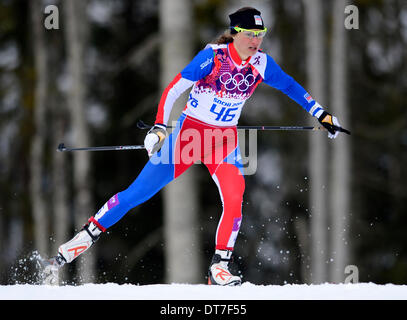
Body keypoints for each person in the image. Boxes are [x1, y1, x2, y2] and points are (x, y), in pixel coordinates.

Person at [42, 7, 345, 286]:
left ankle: (220, 267)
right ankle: (81, 239)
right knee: (136, 194)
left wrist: (321, 113)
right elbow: (175, 88)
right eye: (251, 34)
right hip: (188, 137)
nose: (256, 41)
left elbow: (291, 86)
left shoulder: (262, 63)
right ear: (236, 33)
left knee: (235, 196)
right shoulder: (212, 56)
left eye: (260, 35)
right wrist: (160, 127)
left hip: (223, 141)